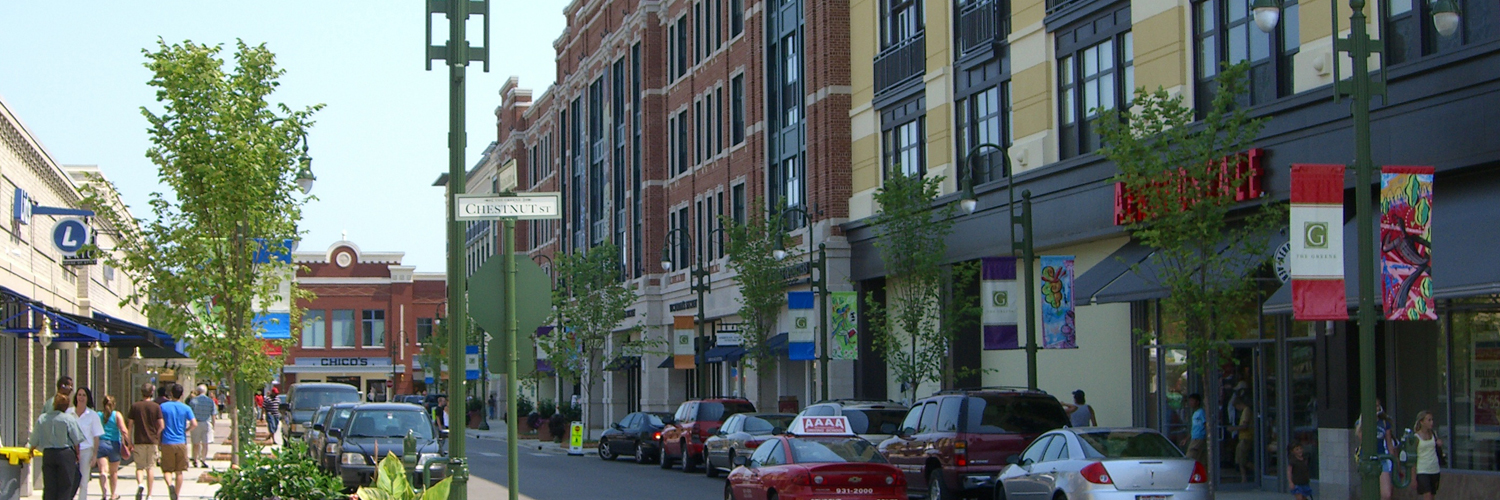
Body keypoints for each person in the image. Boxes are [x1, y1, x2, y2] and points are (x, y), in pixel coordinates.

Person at [30, 394, 85, 500]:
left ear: (54, 404)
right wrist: (78, 454)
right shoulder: (68, 419)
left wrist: (31, 449)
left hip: (49, 454)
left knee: (49, 486)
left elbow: (35, 437)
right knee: (65, 485)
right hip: (65, 454)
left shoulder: (43, 418)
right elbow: (76, 439)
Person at [158, 384, 196, 500]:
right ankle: (177, 495)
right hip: (181, 441)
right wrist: (186, 430)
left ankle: (170, 485)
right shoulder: (186, 408)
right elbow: (194, 423)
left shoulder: (163, 407)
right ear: (182, 394)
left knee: (167, 470)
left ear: (171, 393)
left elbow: (159, 423)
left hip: (167, 441)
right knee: (179, 471)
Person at [126, 383, 163, 500]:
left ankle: (140, 484)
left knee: (139, 467)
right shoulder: (156, 407)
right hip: (152, 441)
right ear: (152, 392)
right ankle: (149, 494)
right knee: (150, 467)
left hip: (139, 440)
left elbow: (130, 426)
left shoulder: (135, 406)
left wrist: (129, 441)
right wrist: (156, 436)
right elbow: (161, 425)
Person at [1355, 399, 1398, 500]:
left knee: (1386, 494)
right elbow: (1362, 440)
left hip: (1381, 458)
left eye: (1378, 406)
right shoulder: (1361, 423)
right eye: (1374, 406)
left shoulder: (1384, 423)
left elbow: (1389, 443)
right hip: (1367, 460)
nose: (1377, 408)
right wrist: (1365, 421)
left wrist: (1394, 460)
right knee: (1370, 491)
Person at [72, 388, 106, 500]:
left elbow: (96, 437)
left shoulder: (92, 415)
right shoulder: (69, 413)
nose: (81, 398)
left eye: (84, 395)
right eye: (79, 395)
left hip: (86, 451)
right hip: (71, 451)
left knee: (83, 480)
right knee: (69, 480)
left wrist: (95, 455)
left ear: (88, 398)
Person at [97, 395, 130, 500]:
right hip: (114, 445)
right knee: (114, 472)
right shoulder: (117, 415)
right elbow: (123, 430)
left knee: (103, 470)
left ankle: (104, 494)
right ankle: (113, 494)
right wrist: (129, 443)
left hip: (101, 443)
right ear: (114, 404)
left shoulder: (98, 415)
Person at [1412, 410, 1443, 500]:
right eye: (1429, 420)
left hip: (1434, 468)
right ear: (1422, 422)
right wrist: (1413, 477)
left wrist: (1439, 443)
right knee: (1427, 495)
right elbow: (1413, 457)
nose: (1431, 422)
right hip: (1422, 469)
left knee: (1432, 495)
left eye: (1432, 420)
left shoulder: (1433, 434)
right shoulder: (1416, 437)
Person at [187, 385, 217, 468]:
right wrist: (213, 426)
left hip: (196, 423)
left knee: (195, 443)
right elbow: (213, 415)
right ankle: (203, 459)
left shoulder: (193, 401)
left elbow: (190, 413)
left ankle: (195, 459)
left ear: (197, 391)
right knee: (205, 443)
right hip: (206, 423)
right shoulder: (210, 401)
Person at [1232, 398, 1255, 482]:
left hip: (1246, 438)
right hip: (1242, 438)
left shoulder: (1246, 411)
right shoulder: (1244, 412)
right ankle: (1243, 478)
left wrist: (1233, 428)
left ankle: (1258, 472)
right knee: (1239, 460)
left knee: (1243, 460)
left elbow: (1244, 426)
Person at [1184, 394, 1207, 466]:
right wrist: (1186, 439)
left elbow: (1206, 424)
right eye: (1189, 401)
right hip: (1194, 437)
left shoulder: (1201, 412)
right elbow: (1194, 428)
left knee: (1189, 457)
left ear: (1197, 402)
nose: (1190, 403)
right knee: (1201, 460)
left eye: (1192, 401)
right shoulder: (1195, 413)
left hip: (1199, 438)